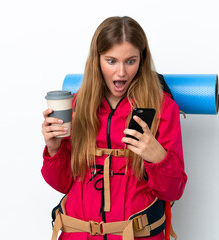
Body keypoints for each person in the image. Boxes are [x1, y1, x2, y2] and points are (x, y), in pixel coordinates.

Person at [41, 16, 187, 240]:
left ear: (142, 60)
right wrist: (53, 149)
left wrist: (157, 157)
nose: (121, 72)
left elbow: (173, 191)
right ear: (97, 60)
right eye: (111, 61)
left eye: (130, 61)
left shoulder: (162, 108)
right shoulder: (77, 106)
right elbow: (62, 183)